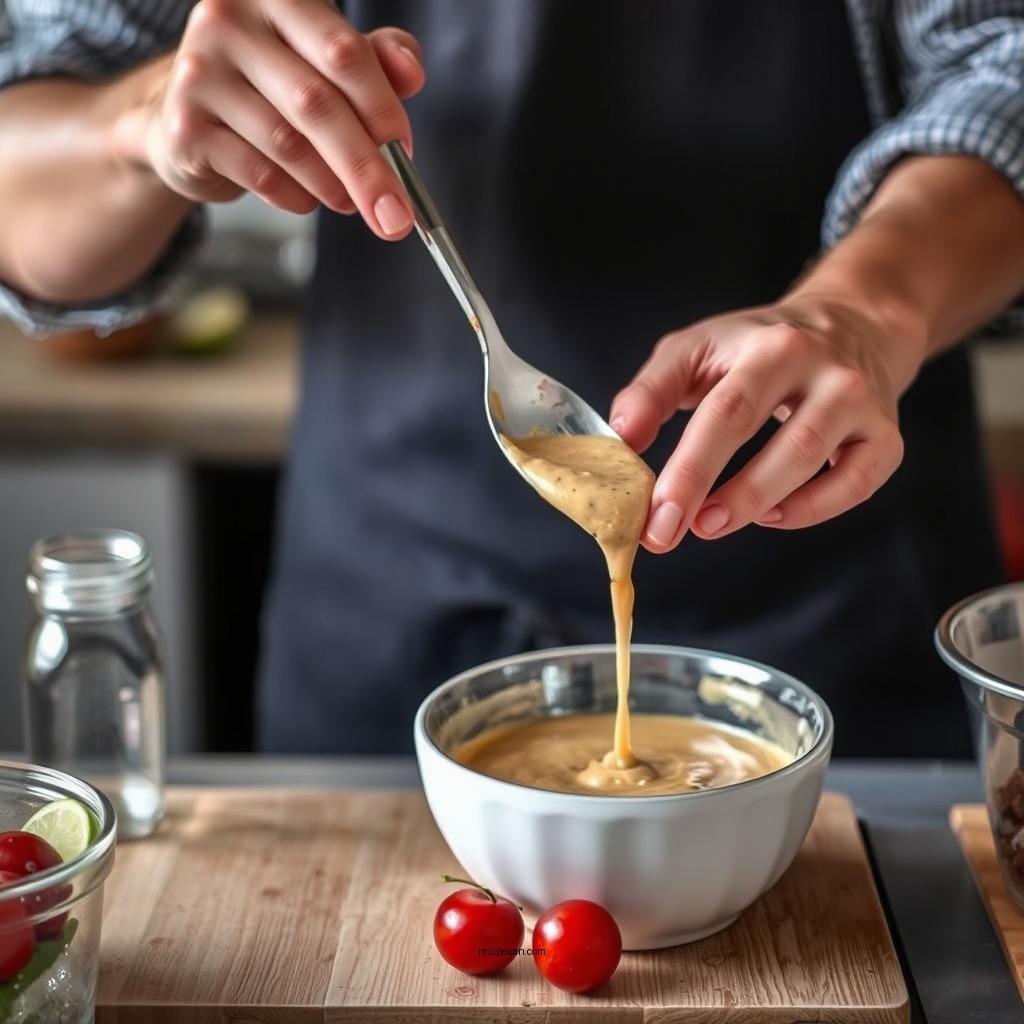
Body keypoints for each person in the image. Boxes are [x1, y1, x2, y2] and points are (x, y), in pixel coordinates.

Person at [1, 0, 1023, 759]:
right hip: (383, 630)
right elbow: (24, 169)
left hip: (839, 626)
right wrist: (138, 125)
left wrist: (866, 304)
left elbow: (1005, 66)